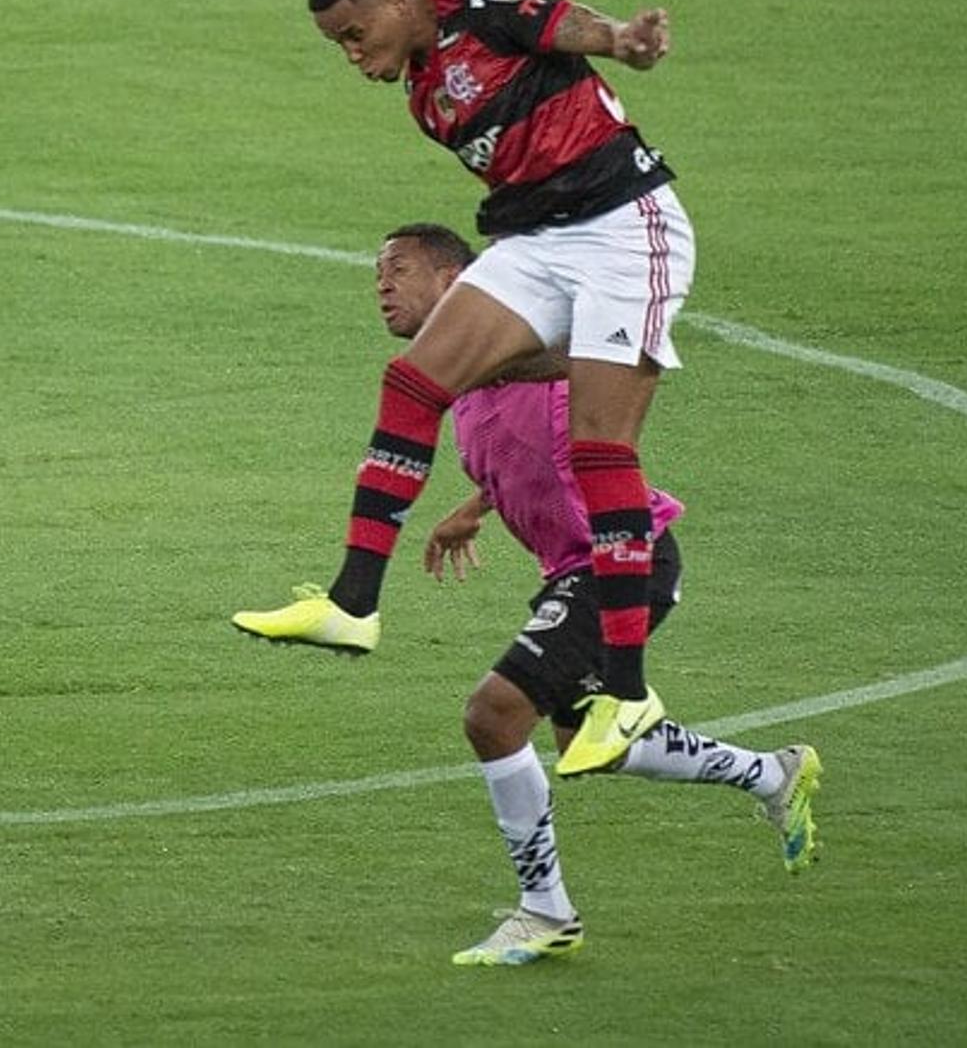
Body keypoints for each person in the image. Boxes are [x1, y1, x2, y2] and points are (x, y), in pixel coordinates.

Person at [295, 224, 824, 966]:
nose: (381, 286)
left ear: (455, 279)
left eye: (398, 270)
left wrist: (510, 348)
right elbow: (528, 442)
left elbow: (582, 369)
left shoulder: (527, 344)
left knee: (493, 714)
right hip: (576, 569)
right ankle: (774, 772)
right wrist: (473, 506)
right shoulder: (464, 384)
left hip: (623, 561)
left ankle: (545, 912)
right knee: (589, 746)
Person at [233, 0, 696, 776]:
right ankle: (353, 604)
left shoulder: (478, 8)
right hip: (537, 242)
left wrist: (623, 38)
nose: (351, 52)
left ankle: (626, 699)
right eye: (336, 42)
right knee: (413, 383)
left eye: (354, 30)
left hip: (626, 229)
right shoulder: (422, 92)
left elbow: (563, 27)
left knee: (601, 452)